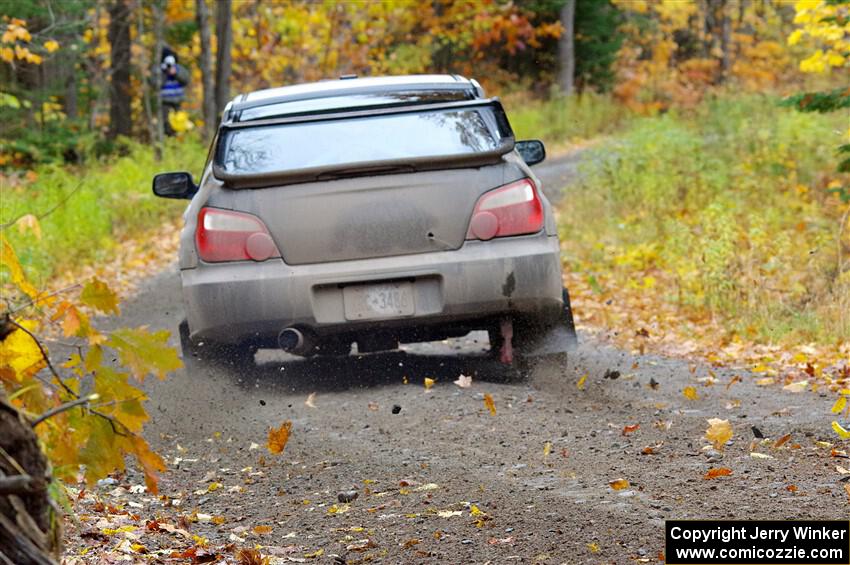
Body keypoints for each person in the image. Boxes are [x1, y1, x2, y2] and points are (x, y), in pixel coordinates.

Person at [159, 47, 190, 136]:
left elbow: (186, 80)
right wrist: (165, 73)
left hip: (178, 102)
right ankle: (169, 139)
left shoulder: (179, 69)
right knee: (167, 124)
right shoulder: (161, 70)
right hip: (165, 102)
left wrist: (176, 73)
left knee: (180, 123)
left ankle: (179, 139)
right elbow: (156, 83)